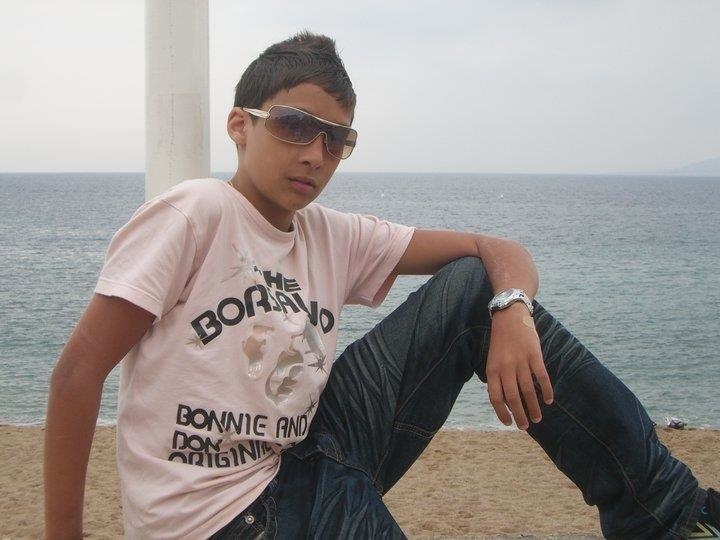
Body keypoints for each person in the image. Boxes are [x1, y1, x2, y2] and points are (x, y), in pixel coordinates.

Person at [44, 31, 719, 539]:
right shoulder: (197, 212)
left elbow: (496, 251)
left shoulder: (329, 234)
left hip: (305, 455)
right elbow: (77, 374)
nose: (315, 154)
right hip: (227, 519)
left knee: (472, 285)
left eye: (336, 140)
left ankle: (670, 516)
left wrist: (511, 309)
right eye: (295, 126)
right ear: (240, 126)